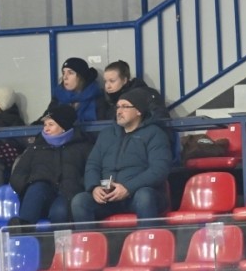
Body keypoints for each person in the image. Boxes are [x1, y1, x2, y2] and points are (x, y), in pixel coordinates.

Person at [70, 88, 171, 224]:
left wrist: (128, 188)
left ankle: (148, 238)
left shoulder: (154, 134)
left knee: (144, 197)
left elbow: (159, 170)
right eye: (118, 107)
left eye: (125, 107)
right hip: (108, 197)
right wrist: (94, 187)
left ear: (139, 111)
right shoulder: (106, 134)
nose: (119, 111)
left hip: (138, 194)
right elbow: (93, 165)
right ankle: (90, 238)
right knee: (80, 201)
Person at [9, 105, 91, 225]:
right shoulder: (36, 147)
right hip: (39, 197)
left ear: (63, 126)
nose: (46, 129)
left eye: (51, 124)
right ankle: (23, 228)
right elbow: (18, 175)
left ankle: (58, 239)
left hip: (67, 195)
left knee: (59, 212)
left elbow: (91, 172)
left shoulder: (82, 147)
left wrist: (77, 185)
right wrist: (29, 185)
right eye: (45, 125)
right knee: (37, 188)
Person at [95, 61, 168, 122]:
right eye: (105, 81)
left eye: (112, 81)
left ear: (124, 80)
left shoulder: (145, 94)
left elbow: (160, 119)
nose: (107, 86)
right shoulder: (107, 103)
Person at [37, 57, 102, 124]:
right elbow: (44, 121)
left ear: (81, 76)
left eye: (70, 73)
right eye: (63, 73)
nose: (65, 77)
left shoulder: (96, 97)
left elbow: (103, 124)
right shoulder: (58, 98)